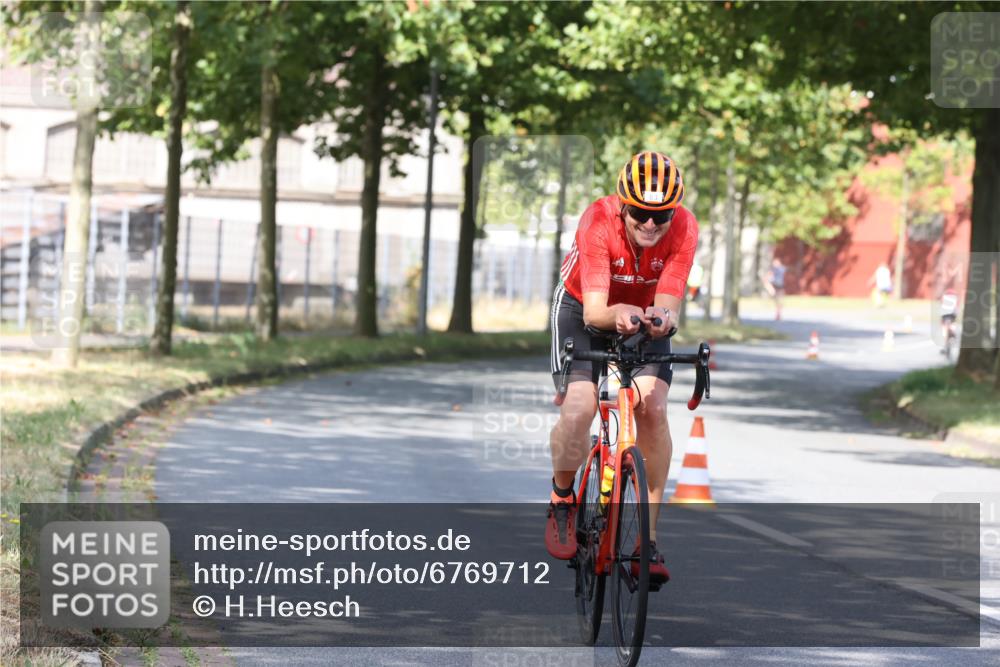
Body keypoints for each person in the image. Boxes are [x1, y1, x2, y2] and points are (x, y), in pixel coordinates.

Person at [546, 151, 698, 588]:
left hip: (642, 311)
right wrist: (620, 313)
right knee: (580, 404)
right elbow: (595, 312)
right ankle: (561, 498)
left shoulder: (685, 228)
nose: (651, 224)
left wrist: (662, 319)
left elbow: (668, 301)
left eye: (662, 215)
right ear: (622, 204)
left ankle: (646, 540)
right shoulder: (598, 220)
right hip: (582, 309)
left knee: (652, 407)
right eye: (640, 213)